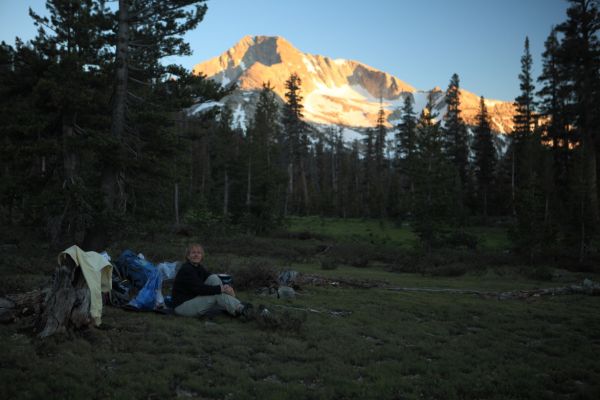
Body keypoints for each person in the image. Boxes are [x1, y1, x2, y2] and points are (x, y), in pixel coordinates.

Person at [171, 243, 252, 318]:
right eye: (193, 253)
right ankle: (241, 309)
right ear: (188, 256)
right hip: (182, 307)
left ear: (202, 256)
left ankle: (237, 306)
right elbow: (200, 289)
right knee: (216, 294)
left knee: (214, 277)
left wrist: (226, 287)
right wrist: (221, 289)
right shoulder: (187, 269)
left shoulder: (198, 267)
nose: (196, 255)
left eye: (199, 253)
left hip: (193, 298)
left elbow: (210, 277)